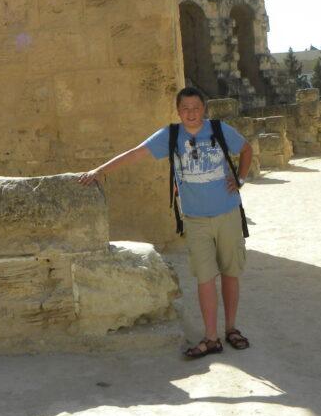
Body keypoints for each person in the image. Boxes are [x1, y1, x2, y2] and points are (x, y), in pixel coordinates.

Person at [78, 86, 254, 358]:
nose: (191, 113)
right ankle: (211, 337)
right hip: (195, 220)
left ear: (203, 109)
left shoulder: (219, 129)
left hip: (228, 213)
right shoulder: (170, 135)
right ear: (178, 111)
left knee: (231, 272)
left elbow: (246, 149)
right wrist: (100, 171)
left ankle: (231, 329)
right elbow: (136, 153)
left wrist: (240, 179)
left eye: (196, 108)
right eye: (185, 109)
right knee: (205, 278)